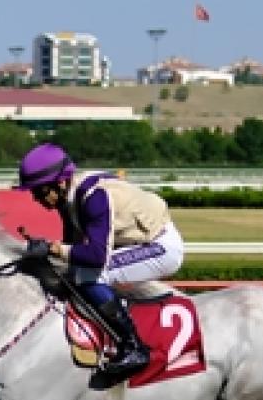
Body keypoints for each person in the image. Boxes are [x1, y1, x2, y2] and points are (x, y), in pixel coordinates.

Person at [15, 142, 185, 382]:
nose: (35, 198)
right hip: (136, 243)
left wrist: (52, 248)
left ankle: (133, 347)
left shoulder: (94, 197)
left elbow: (95, 256)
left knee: (90, 275)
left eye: (39, 191)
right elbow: (71, 250)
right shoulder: (68, 200)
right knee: (75, 274)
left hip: (161, 246)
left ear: (60, 182)